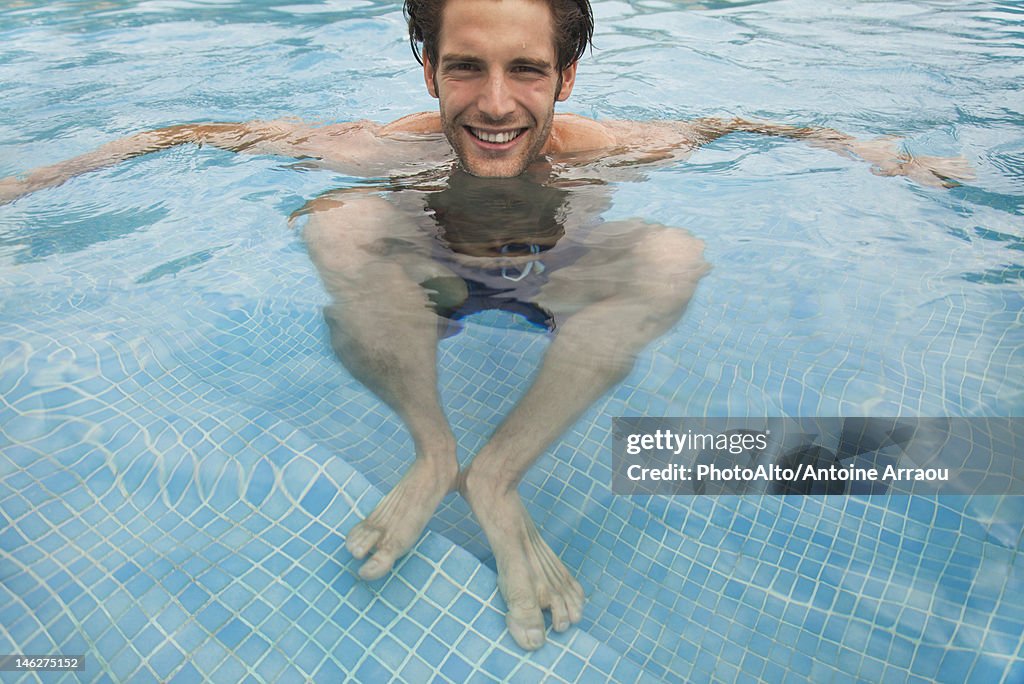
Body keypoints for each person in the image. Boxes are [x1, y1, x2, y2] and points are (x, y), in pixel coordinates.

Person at [0, 0, 971, 650]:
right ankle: (433, 450)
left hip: (564, 288)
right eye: (465, 69)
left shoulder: (616, 150)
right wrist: (31, 184)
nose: (495, 104)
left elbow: (742, 126)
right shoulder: (381, 149)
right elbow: (189, 133)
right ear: (427, 70)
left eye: (526, 70)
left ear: (568, 76)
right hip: (431, 292)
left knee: (672, 251)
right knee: (336, 222)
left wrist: (868, 150)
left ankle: (495, 472)